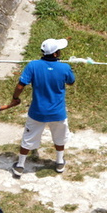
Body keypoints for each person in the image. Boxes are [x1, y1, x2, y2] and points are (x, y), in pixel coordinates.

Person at [11, 39, 76, 176]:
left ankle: (20, 165)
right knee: (60, 137)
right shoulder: (65, 67)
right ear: (54, 54)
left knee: (28, 138)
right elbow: (71, 81)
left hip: (37, 112)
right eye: (58, 50)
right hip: (58, 113)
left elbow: (20, 85)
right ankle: (59, 162)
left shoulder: (32, 66)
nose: (60, 52)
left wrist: (15, 98)